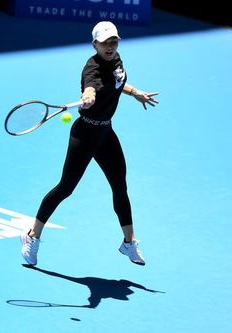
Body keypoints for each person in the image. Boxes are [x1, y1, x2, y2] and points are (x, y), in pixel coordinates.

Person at [20, 21, 159, 267]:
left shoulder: (116, 60)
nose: (110, 46)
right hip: (84, 135)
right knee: (65, 188)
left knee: (120, 186)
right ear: (95, 44)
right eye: (105, 42)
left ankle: (129, 242)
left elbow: (116, 83)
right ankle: (32, 236)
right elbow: (92, 86)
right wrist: (88, 96)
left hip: (105, 133)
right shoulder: (91, 68)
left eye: (114, 41)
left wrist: (135, 92)